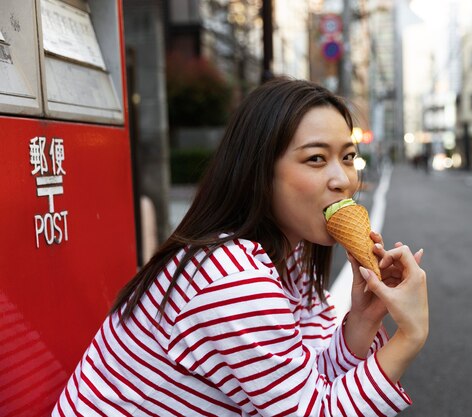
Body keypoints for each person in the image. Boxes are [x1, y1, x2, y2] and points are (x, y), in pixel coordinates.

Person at [53, 77, 429, 416]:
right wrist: (409, 336)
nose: (342, 179)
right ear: (259, 171)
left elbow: (309, 381)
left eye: (347, 158)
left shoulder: (285, 256)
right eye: (316, 159)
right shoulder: (233, 278)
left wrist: (364, 319)